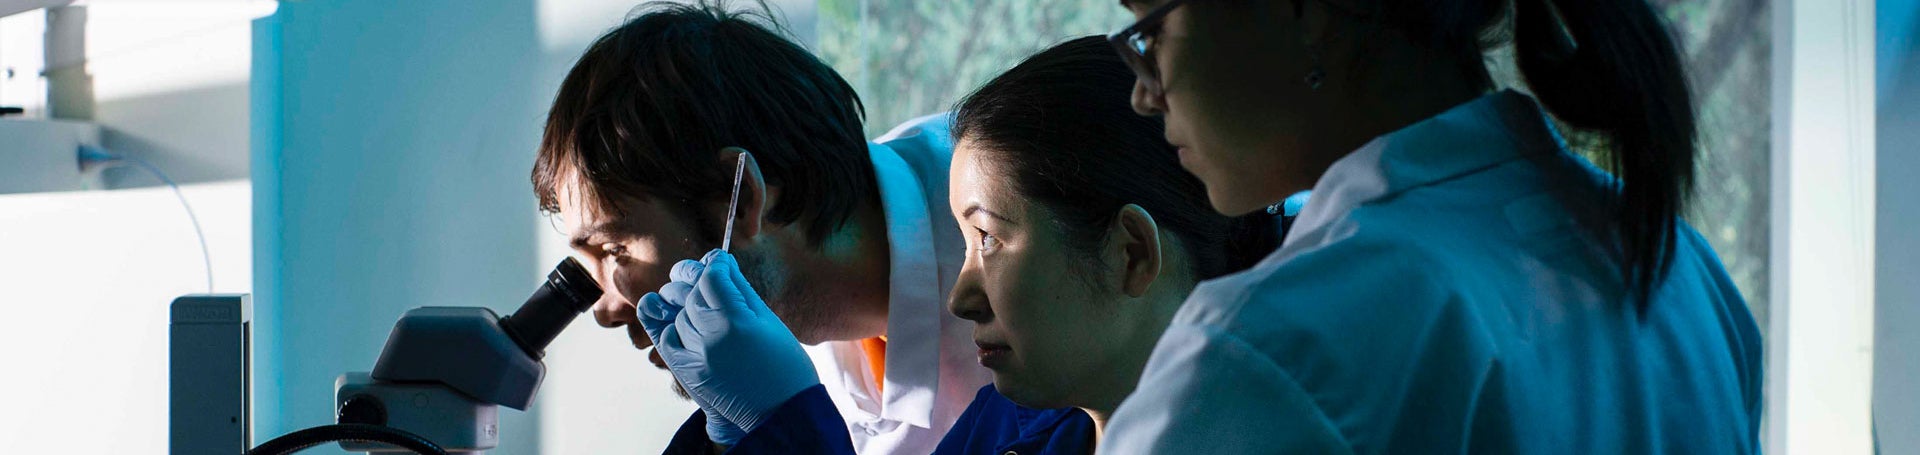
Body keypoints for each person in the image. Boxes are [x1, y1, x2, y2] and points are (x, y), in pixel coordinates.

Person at [1098, 0, 1763, 453]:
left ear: (1304, 14)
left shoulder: (1272, 353)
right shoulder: (1680, 268)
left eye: (1151, 33)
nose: (1143, 94)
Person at [639, 36, 1283, 454]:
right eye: (964, 241)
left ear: (1131, 254)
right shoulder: (1003, 427)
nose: (960, 297)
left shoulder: (1270, 432)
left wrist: (787, 427)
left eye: (989, 239)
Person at [529, 2, 988, 452]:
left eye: (614, 249)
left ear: (743, 198)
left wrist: (787, 426)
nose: (605, 310)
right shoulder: (789, 322)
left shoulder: (1003, 226)